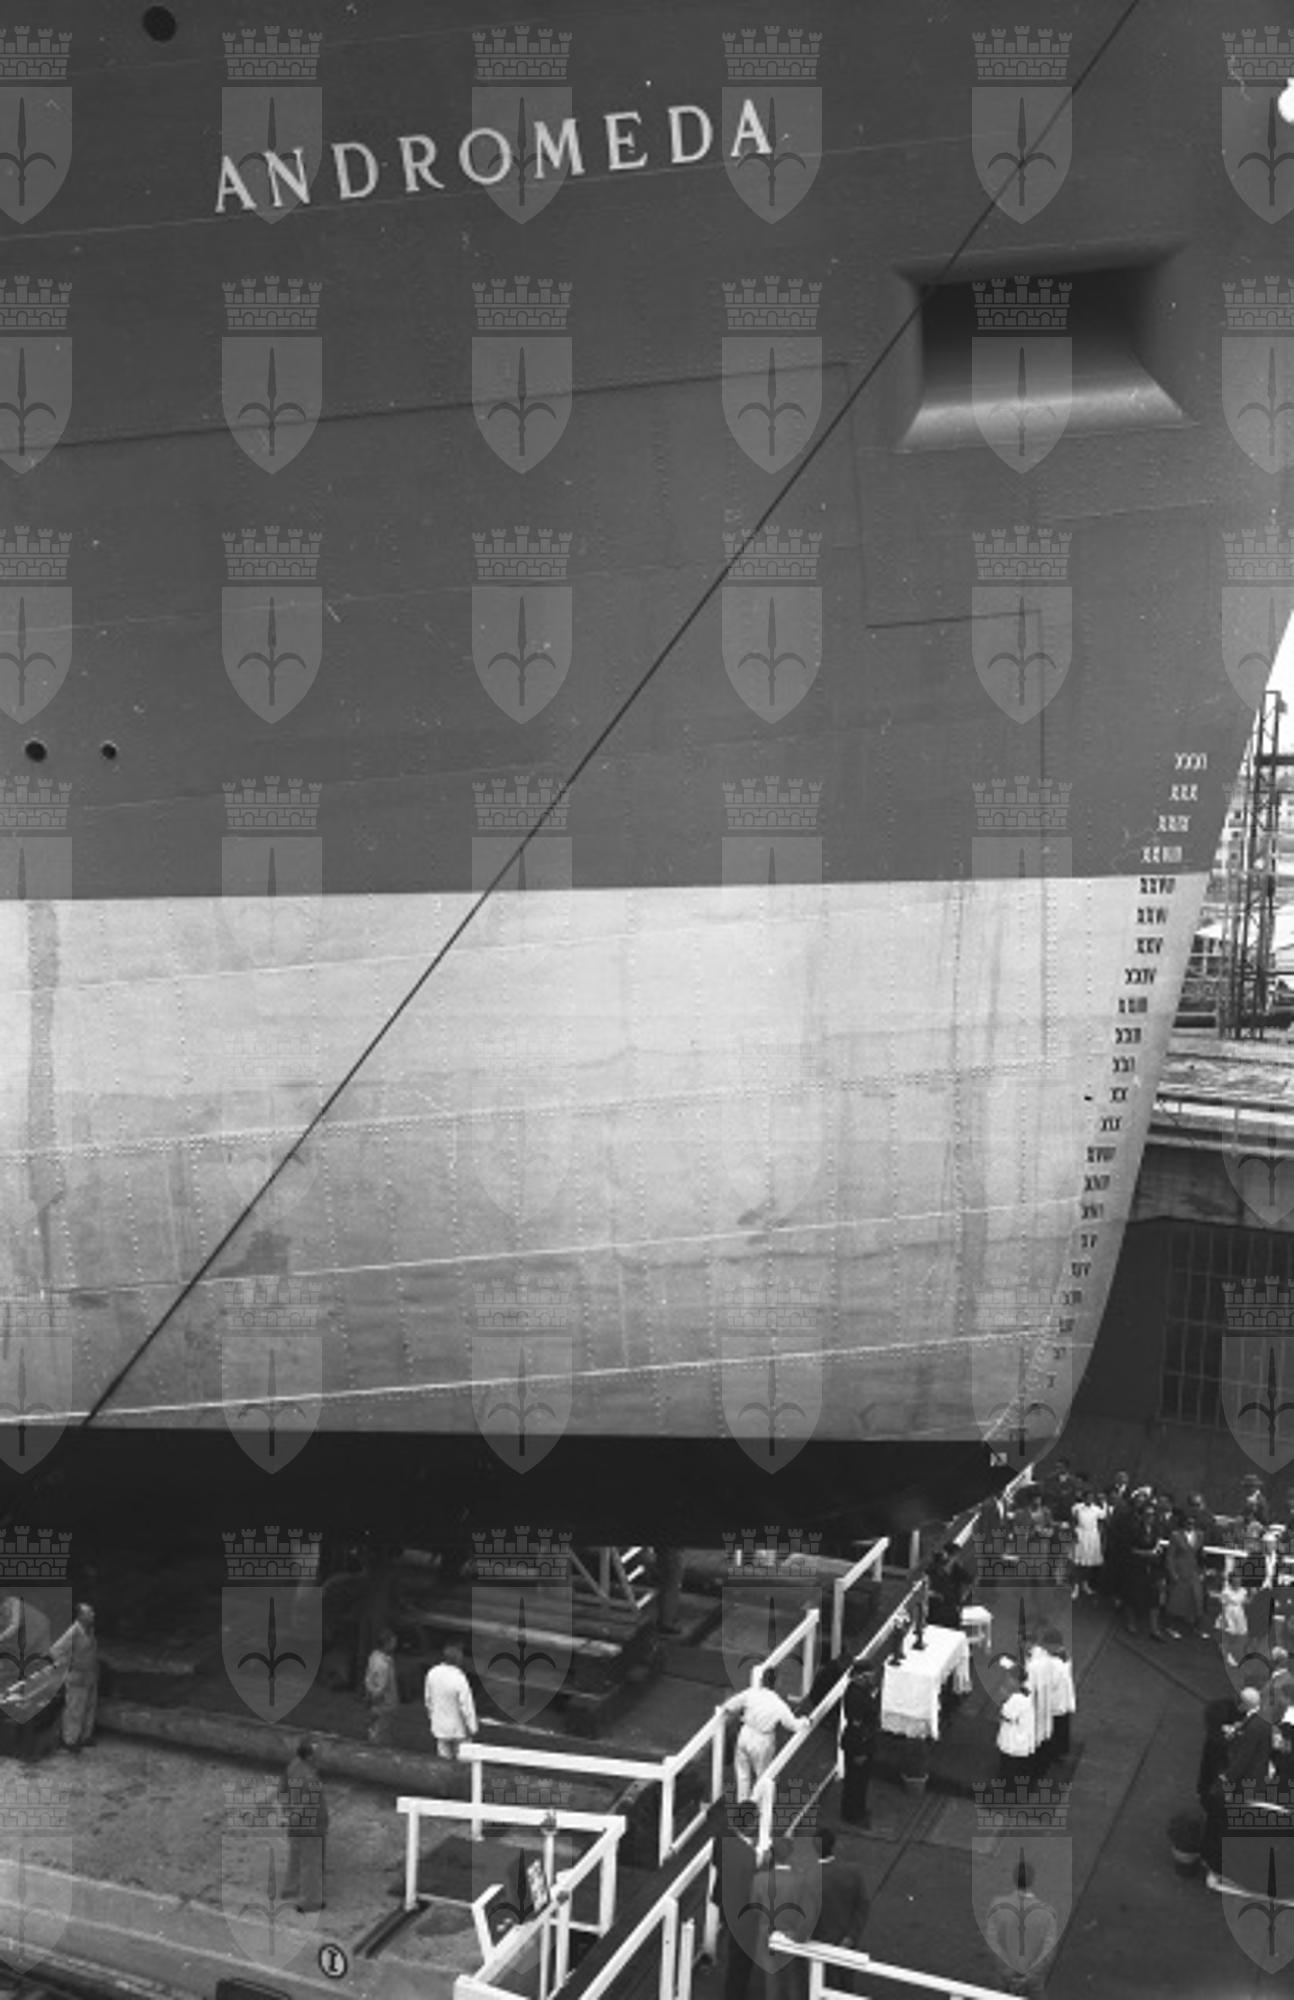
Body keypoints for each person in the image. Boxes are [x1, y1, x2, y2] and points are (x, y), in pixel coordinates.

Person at [982, 1855, 1059, 1999]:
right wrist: (1030, 1977)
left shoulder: (997, 1905)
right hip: (1032, 1984)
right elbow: (1048, 1951)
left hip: (1003, 1980)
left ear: (1014, 1879)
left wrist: (1007, 1972)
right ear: (1033, 1881)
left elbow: (992, 1943)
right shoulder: (1047, 1913)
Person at [727, 1666, 804, 1804]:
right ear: (777, 1682)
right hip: (762, 1740)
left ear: (762, 1680)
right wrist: (806, 1721)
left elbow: (730, 1705)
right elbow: (793, 1725)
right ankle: (760, 1808)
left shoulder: (751, 1693)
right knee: (763, 1776)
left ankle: (742, 1804)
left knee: (742, 1774)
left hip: (745, 1733)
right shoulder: (778, 1704)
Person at [713, 1800, 763, 2000]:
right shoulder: (746, 1855)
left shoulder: (722, 1839)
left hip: (725, 1902)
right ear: (750, 1824)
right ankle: (735, 1994)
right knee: (741, 1959)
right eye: (757, 1818)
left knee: (734, 1953)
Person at [811, 1825, 868, 1996]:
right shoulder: (853, 1873)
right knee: (846, 1985)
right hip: (846, 1942)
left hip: (820, 1944)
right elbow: (863, 1906)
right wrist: (851, 1936)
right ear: (833, 1846)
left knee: (822, 1987)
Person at [279, 1737, 328, 1913]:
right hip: (311, 1825)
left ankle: (291, 1888)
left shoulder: (293, 1766)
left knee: (296, 1855)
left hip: (296, 1824)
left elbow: (282, 1790)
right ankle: (311, 1900)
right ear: (310, 1757)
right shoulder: (310, 1779)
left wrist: (287, 1812)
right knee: (311, 1862)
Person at [49, 1604, 97, 1751]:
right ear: (80, 1616)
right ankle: (70, 1740)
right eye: (89, 1612)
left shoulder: (89, 1630)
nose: (93, 1614)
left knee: (89, 1707)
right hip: (76, 1676)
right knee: (75, 1709)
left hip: (90, 1674)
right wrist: (67, 1665)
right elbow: (55, 1651)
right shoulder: (73, 1632)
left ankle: (84, 1736)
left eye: (92, 1612)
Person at [839, 1663, 880, 1827]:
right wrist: (859, 1751)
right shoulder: (855, 1696)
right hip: (858, 1744)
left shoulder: (861, 1691)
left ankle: (859, 1809)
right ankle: (852, 1814)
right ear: (860, 1676)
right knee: (854, 1782)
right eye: (869, 1676)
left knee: (861, 1780)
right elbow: (857, 1726)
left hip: (866, 1740)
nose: (872, 1679)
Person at [423, 1643, 478, 1759]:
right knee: (463, 1760)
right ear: (458, 1659)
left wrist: (433, 1718)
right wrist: (472, 1727)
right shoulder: (459, 1678)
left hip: (440, 1727)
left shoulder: (432, 1673)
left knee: (443, 1760)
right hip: (459, 1730)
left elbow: (428, 1701)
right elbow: (466, 1707)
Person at [1164, 1510, 1206, 1637]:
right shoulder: (1176, 1535)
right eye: (1188, 1522)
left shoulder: (1200, 1535)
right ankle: (1170, 1626)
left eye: (1193, 1522)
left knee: (1197, 1598)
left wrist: (1203, 1571)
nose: (1190, 1525)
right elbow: (1170, 1556)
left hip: (1193, 1570)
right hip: (1180, 1570)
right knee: (1176, 1600)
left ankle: (1197, 1628)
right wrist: (1173, 1573)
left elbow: (1201, 1555)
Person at [996, 1664, 1036, 1784]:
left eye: (1009, 1678)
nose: (1006, 1681)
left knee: (1010, 1770)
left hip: (1014, 1740)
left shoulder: (1016, 1699)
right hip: (1024, 1737)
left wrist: (1004, 1698)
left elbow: (1005, 1714)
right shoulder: (1027, 1691)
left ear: (1016, 1680)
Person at [364, 1628, 400, 1744]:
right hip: (384, 1706)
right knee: (380, 1736)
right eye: (393, 1642)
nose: (395, 1645)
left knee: (375, 1731)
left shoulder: (374, 1656)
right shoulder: (383, 1665)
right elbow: (381, 1689)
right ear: (387, 1643)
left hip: (377, 1703)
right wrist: (375, 1706)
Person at [1069, 1489, 1106, 1599]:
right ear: (1084, 1498)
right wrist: (1073, 1532)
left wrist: (1103, 1503)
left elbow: (1103, 1519)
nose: (1089, 1499)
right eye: (1087, 1497)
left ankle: (1085, 1584)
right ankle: (1075, 1586)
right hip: (1081, 1535)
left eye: (1091, 1498)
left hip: (1092, 1537)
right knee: (1077, 1563)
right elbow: (1072, 1521)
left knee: (1088, 1563)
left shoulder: (1097, 1509)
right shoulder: (1077, 1508)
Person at [1215, 1570, 1249, 1668]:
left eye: (1239, 1580)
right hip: (1229, 1615)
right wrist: (1225, 1619)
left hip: (1239, 1615)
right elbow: (1223, 1605)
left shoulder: (1243, 1591)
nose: (1238, 1582)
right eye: (1235, 1580)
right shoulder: (1226, 1592)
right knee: (1229, 1634)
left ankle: (1234, 1652)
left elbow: (1244, 1602)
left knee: (1240, 1634)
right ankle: (1228, 1654)